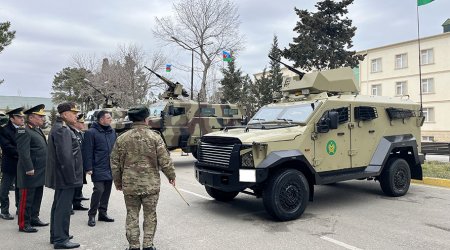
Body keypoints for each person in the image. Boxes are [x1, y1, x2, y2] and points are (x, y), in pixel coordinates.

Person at [111, 106, 176, 250]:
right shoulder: (155, 137)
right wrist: (171, 176)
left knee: (132, 215)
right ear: (146, 119)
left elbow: (114, 162)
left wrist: (118, 181)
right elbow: (165, 160)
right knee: (150, 215)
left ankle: (133, 246)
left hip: (130, 185)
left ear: (131, 119)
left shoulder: (122, 138)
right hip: (150, 185)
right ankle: (148, 245)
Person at [46, 102, 83, 249]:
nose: (76, 116)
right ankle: (61, 239)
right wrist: (71, 179)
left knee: (58, 205)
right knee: (63, 207)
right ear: (65, 114)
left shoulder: (61, 128)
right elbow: (66, 158)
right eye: (73, 113)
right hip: (66, 176)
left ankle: (56, 235)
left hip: (62, 176)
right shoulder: (63, 130)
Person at [16, 104, 48, 233]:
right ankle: (24, 223)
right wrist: (29, 168)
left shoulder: (36, 129)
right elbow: (23, 152)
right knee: (26, 198)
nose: (42, 119)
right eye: (40, 117)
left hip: (39, 170)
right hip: (29, 171)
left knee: (37, 196)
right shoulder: (23, 130)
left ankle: (34, 218)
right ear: (32, 117)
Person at [82, 110, 117, 227]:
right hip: (98, 167)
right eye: (108, 118)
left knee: (107, 191)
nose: (110, 120)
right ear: (101, 119)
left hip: (110, 167)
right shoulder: (91, 133)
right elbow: (87, 151)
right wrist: (88, 168)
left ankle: (103, 213)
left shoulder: (112, 132)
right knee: (99, 190)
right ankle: (92, 215)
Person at [0, 107, 25, 220]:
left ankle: (19, 208)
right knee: (5, 188)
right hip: (10, 163)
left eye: (22, 117)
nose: (22, 119)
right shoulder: (4, 130)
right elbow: (7, 147)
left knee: (19, 187)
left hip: (20, 164)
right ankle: (4, 210)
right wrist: (22, 154)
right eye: (19, 117)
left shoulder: (22, 129)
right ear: (12, 118)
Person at [69, 114, 88, 212]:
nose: (83, 124)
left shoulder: (80, 133)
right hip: (74, 163)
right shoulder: (71, 132)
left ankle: (77, 203)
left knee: (79, 184)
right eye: (81, 122)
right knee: (74, 185)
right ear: (76, 123)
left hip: (80, 163)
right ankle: (70, 205)